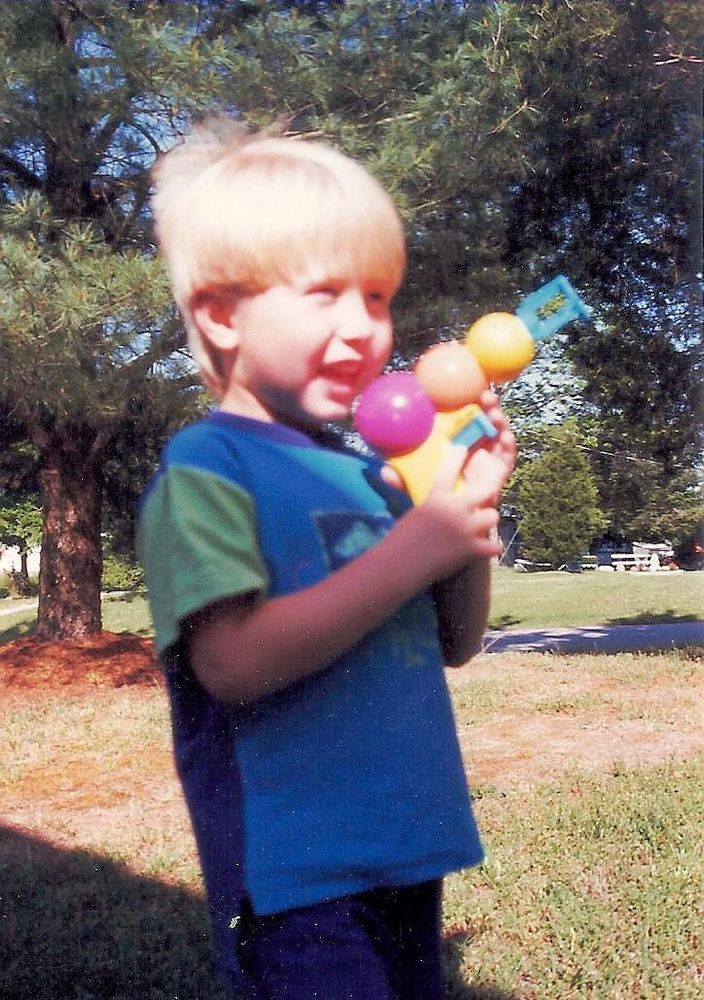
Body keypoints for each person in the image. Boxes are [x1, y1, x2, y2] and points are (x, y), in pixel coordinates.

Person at [137, 120, 516, 1000]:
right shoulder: (207, 470)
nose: (365, 329)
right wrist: (413, 547)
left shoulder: (369, 473)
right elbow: (229, 665)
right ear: (221, 317)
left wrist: (459, 517)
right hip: (294, 877)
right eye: (325, 295)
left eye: (379, 298)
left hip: (406, 843)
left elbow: (454, 642)